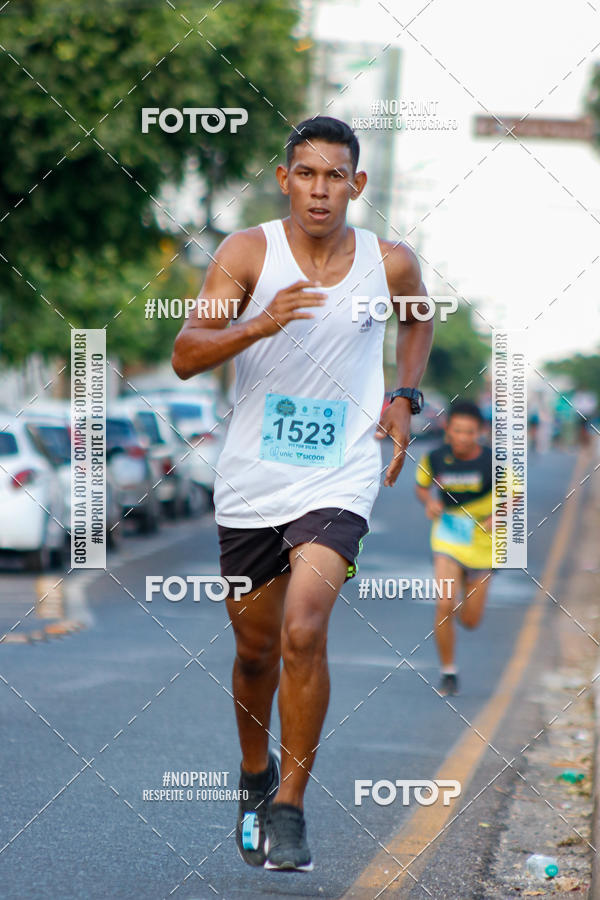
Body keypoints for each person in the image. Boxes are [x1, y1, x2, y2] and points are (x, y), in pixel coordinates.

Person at [172, 115, 433, 872]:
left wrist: (405, 397)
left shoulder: (389, 263)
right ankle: (254, 772)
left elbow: (417, 324)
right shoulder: (248, 252)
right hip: (253, 475)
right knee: (254, 650)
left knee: (303, 630)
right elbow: (188, 353)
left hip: (340, 472)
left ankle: (290, 807)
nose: (321, 191)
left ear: (356, 184)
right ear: (286, 180)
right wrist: (260, 323)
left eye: (335, 177)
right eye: (306, 175)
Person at [415, 400, 493, 696]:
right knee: (445, 603)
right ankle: (448, 671)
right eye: (457, 431)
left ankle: (465, 597)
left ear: (480, 432)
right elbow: (422, 485)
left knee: (470, 620)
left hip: (483, 547)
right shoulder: (434, 457)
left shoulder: (493, 462)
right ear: (448, 430)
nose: (462, 437)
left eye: (469, 432)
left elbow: (514, 494)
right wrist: (429, 500)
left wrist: (499, 513)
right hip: (448, 538)